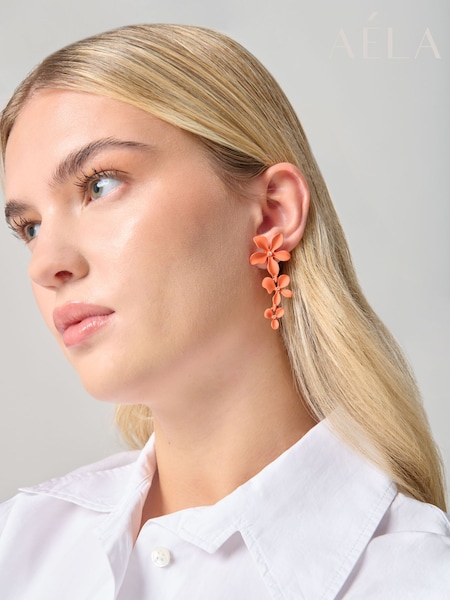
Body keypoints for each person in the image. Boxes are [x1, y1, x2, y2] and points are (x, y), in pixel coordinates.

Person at [0, 23, 448, 599]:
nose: (45, 264)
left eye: (101, 185)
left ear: (273, 212)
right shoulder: (19, 546)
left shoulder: (418, 580)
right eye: (30, 228)